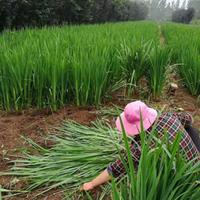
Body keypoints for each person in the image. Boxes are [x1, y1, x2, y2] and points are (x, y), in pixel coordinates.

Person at [81, 101, 200, 191]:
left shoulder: (140, 147)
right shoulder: (168, 117)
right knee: (190, 129)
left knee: (140, 171)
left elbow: (116, 168)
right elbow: (188, 118)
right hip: (196, 164)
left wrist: (91, 183)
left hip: (185, 184)